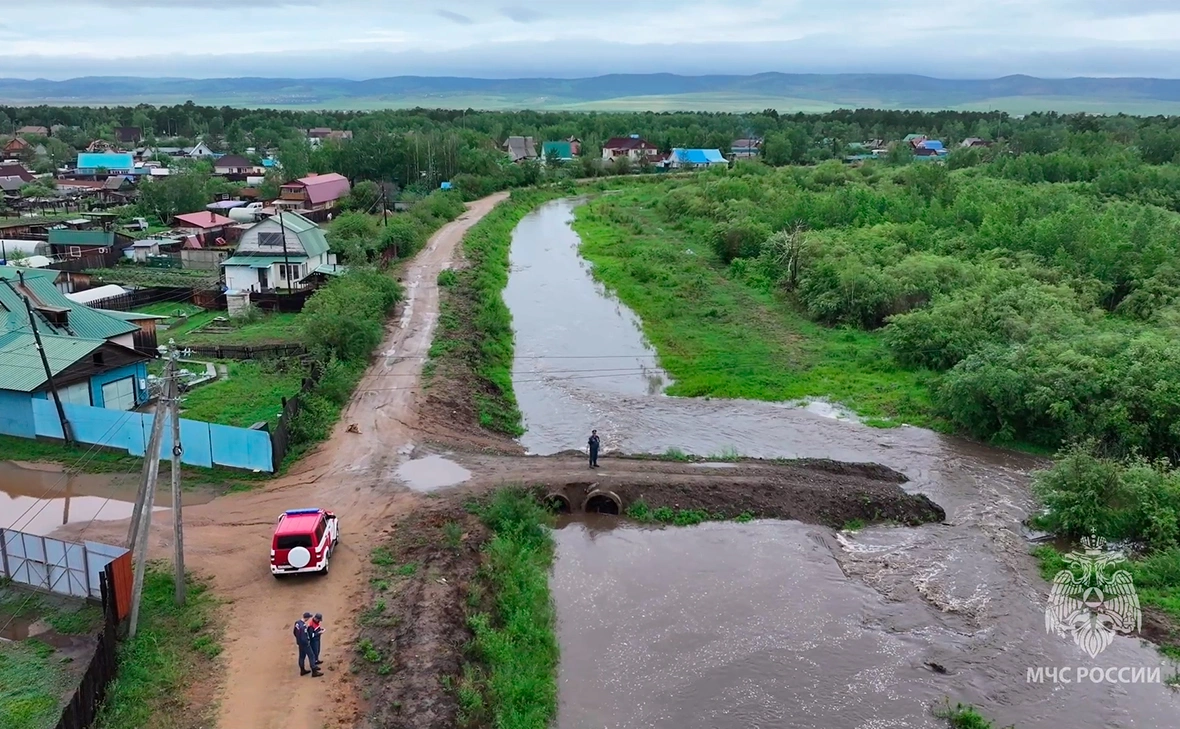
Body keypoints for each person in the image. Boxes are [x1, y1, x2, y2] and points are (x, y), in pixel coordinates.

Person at [293, 612, 321, 677]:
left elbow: (294, 632)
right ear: (307, 618)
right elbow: (304, 636)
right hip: (305, 643)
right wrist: (307, 642)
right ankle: (314, 671)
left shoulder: (297, 623)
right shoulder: (303, 627)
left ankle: (302, 670)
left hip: (300, 643)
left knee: (301, 656)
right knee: (311, 656)